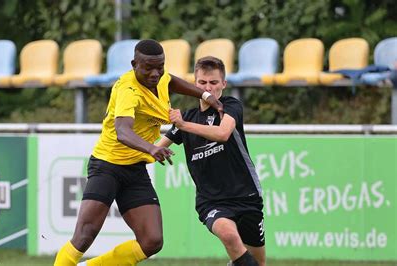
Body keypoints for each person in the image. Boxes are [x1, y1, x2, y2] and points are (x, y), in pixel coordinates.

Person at [54, 40, 223, 266]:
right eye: (149, 68)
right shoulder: (128, 89)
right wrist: (152, 148)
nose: (155, 73)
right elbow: (123, 132)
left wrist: (205, 95)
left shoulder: (160, 78)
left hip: (134, 170)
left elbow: (171, 81)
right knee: (85, 235)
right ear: (134, 64)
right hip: (107, 166)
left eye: (160, 66)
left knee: (152, 241)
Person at [156, 56, 266, 266]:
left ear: (223, 84)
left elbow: (223, 133)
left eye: (214, 83)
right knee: (228, 234)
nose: (208, 88)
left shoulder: (230, 106)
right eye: (202, 83)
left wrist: (183, 125)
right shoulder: (187, 117)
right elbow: (155, 149)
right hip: (212, 201)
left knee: (258, 263)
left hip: (246, 195)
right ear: (194, 85)